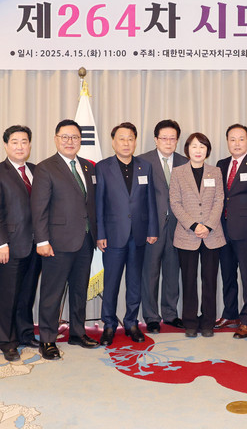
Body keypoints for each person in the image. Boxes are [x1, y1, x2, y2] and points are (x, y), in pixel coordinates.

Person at [31, 119, 99, 360]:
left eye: (75, 137)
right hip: (57, 243)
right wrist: (42, 241)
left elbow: (90, 204)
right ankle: (47, 339)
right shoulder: (45, 168)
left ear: (80, 140)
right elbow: (39, 208)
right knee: (53, 293)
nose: (70, 142)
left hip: (85, 240)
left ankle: (77, 333)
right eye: (65, 137)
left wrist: (97, 235)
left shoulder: (88, 167)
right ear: (56, 139)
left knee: (79, 291)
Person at [95, 122, 158, 346]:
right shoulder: (103, 167)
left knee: (134, 282)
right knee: (111, 282)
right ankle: (109, 324)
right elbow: (99, 203)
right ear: (113, 142)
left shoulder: (145, 166)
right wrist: (100, 233)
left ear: (135, 142)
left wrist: (152, 229)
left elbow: (150, 200)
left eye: (130, 139)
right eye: (121, 139)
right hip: (113, 235)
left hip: (139, 235)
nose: (126, 143)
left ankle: (131, 322)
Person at [0, 125, 41, 362]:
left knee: (27, 293)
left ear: (30, 145)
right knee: (8, 295)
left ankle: (25, 333)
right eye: (15, 142)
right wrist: (0, 244)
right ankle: (6, 341)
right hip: (9, 246)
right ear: (6, 145)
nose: (20, 146)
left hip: (35, 245)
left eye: (24, 142)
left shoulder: (36, 170)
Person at [169, 133, 226, 338]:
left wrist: (208, 226)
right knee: (189, 281)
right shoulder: (178, 173)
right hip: (187, 235)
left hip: (212, 235)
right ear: (187, 149)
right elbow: (175, 202)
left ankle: (208, 322)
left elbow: (219, 200)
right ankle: (190, 322)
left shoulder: (215, 172)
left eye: (202, 146)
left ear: (207, 150)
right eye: (194, 146)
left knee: (210, 281)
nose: (198, 150)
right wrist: (194, 225)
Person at [138, 119, 188, 333]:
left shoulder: (185, 162)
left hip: (178, 227)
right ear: (156, 139)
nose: (168, 142)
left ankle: (170, 314)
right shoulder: (142, 161)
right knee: (150, 273)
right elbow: (138, 197)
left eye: (172, 138)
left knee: (172, 272)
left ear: (177, 140)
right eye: (164, 138)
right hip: (152, 228)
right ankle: (151, 317)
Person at [215, 124, 247, 339]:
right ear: (227, 141)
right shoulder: (221, 164)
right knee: (227, 275)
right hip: (223, 231)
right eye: (232, 139)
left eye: (241, 139)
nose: (237, 143)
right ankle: (230, 314)